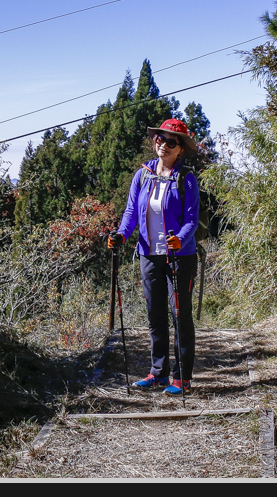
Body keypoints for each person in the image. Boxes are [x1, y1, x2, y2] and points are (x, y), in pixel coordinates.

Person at [107, 118, 200, 396]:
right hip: (149, 254)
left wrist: (178, 240)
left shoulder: (187, 179)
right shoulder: (142, 175)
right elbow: (131, 213)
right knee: (155, 315)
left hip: (180, 257)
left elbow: (191, 220)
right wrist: (122, 235)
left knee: (179, 315)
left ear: (181, 149)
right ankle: (157, 373)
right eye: (160, 138)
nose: (164, 144)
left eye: (171, 141)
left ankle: (181, 378)